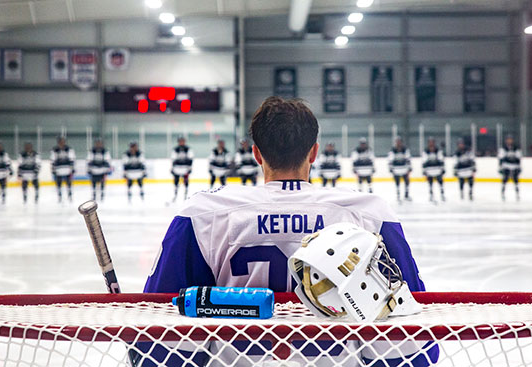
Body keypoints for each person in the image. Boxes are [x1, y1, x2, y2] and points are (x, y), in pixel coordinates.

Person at [140, 97, 437, 367]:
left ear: (256, 154)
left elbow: (157, 348)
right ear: (314, 152)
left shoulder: (203, 214)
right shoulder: (370, 214)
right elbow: (414, 349)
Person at [50, 136, 75, 203]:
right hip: (58, 169)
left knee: (68, 184)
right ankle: (60, 197)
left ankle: (70, 196)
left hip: (67, 169)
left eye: (63, 141)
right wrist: (53, 169)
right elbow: (53, 160)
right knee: (58, 184)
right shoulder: (55, 150)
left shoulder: (69, 149)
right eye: (61, 141)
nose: (62, 143)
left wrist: (72, 168)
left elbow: (72, 159)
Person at [387, 137, 411, 201]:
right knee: (397, 182)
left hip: (404, 168)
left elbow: (408, 159)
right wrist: (391, 168)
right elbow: (390, 160)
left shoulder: (405, 149)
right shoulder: (393, 150)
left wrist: (409, 168)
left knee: (407, 181)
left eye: (399, 141)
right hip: (396, 169)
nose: (398, 143)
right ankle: (398, 194)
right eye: (397, 142)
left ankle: (406, 194)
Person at [498, 135, 521, 201]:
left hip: (515, 166)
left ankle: (517, 194)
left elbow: (519, 158)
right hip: (506, 166)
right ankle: (503, 193)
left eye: (510, 139)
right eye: (508, 139)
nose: (509, 141)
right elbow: (501, 158)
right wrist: (500, 167)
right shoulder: (503, 148)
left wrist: (519, 167)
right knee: (505, 180)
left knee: (516, 180)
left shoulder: (516, 148)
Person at [422, 137, 445, 202]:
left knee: (440, 183)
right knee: (430, 184)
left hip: (437, 170)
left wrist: (442, 169)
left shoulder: (438, 150)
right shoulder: (426, 151)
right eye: (430, 142)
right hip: (429, 170)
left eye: (432, 142)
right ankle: (431, 195)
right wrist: (424, 171)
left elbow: (441, 160)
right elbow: (424, 162)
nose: (431, 143)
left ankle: (442, 194)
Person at [171, 136, 194, 202]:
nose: (181, 142)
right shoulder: (175, 149)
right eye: (180, 141)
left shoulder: (188, 149)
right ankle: (175, 195)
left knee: (186, 182)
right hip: (177, 168)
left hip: (185, 168)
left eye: (182, 141)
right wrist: (172, 168)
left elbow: (191, 159)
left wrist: (189, 168)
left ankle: (185, 195)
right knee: (176, 182)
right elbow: (173, 159)